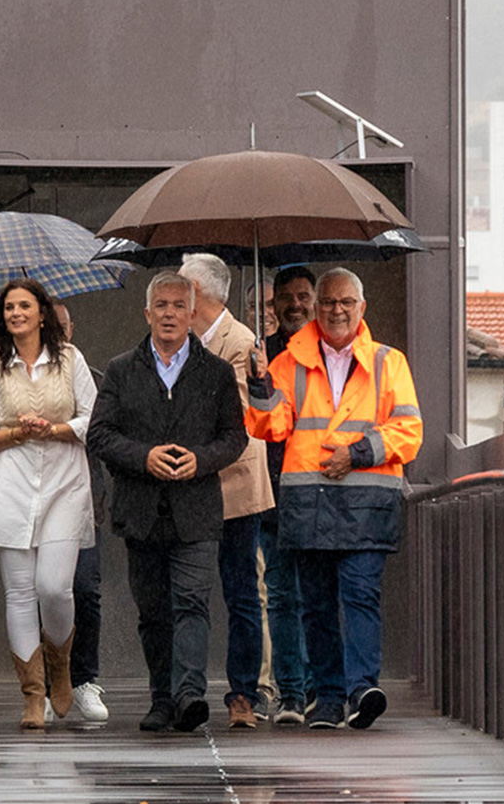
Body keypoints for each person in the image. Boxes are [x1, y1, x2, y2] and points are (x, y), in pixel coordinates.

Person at [246, 267, 421, 730]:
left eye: (346, 302)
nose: (336, 310)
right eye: (328, 303)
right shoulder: (285, 361)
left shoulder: (389, 362)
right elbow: (269, 427)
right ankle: (327, 697)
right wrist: (259, 385)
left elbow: (409, 430)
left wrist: (358, 453)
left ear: (362, 308)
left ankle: (361, 688)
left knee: (360, 594)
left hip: (366, 500)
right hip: (309, 502)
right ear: (317, 309)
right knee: (317, 603)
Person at [86, 271, 247, 733]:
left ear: (192, 313)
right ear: (147, 313)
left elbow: (235, 438)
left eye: (179, 305)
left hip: (196, 510)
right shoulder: (120, 369)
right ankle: (162, 698)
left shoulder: (216, 372)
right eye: (162, 305)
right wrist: (144, 457)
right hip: (141, 510)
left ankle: (190, 694)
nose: (170, 314)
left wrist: (200, 460)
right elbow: (100, 435)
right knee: (154, 611)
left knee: (192, 602)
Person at [0, 278, 98, 730]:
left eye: (24, 306)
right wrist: (19, 433)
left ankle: (60, 663)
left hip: (64, 482)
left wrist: (53, 429)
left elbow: (91, 421)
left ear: (42, 313)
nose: (16, 314)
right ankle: (32, 694)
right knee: (19, 593)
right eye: (9, 308)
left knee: (53, 587)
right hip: (11, 485)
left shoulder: (70, 360)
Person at [177, 253, 276, 728]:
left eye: (182, 289)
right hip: (190, 487)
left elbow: (235, 417)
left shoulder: (241, 342)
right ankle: (184, 688)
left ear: (200, 292)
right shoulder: (177, 341)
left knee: (241, 592)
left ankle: (244, 693)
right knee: (188, 591)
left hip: (235, 483)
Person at [259, 264, 315, 723]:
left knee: (318, 592)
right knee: (280, 594)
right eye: (287, 297)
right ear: (273, 304)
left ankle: (322, 688)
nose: (295, 305)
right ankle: (291, 693)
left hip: (321, 493)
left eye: (303, 296)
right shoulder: (262, 356)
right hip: (274, 492)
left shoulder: (331, 354)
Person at [54, 301, 111, 723]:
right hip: (33, 500)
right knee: (40, 593)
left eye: (61, 325)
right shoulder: (13, 375)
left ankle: (83, 679)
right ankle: (43, 682)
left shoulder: (95, 382)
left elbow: (103, 437)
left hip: (82, 502)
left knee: (85, 590)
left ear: (71, 329)